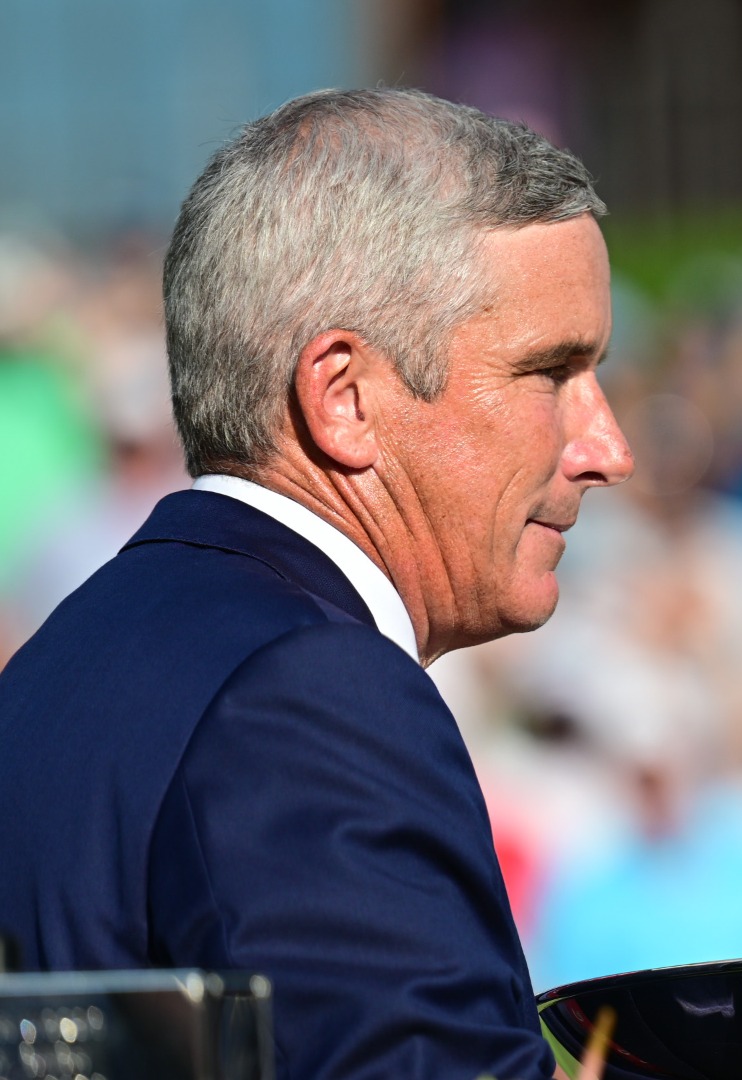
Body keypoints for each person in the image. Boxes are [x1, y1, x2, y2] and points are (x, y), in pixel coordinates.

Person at [0, 88, 633, 1079]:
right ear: (344, 399)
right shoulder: (306, 694)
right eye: (551, 373)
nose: (607, 448)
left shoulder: (72, 658)